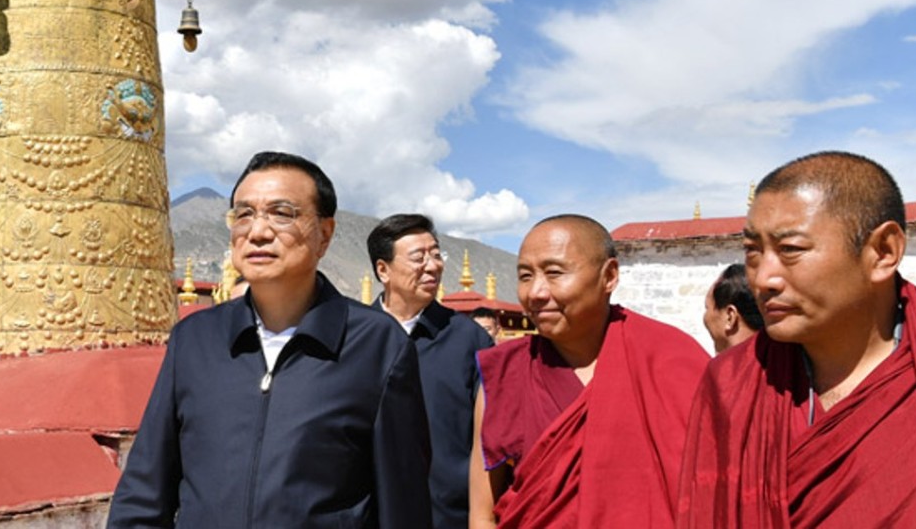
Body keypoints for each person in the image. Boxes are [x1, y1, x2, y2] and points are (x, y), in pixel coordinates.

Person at [109, 152, 432, 528]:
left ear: (324, 235)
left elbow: (403, 505)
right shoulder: (195, 340)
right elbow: (145, 491)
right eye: (243, 214)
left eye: (282, 213)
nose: (257, 231)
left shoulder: (377, 346)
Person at [677, 151, 916, 527]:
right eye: (753, 252)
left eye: (790, 250)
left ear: (883, 252)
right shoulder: (732, 383)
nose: (763, 279)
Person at [470, 214, 709, 528]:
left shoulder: (671, 358)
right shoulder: (503, 374)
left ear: (609, 276)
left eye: (554, 273)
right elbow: (482, 513)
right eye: (525, 276)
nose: (536, 293)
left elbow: (711, 485)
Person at [366, 214, 493, 529]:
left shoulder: (471, 340)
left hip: (448, 516)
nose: (433, 265)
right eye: (418, 257)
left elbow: (488, 441)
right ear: (383, 270)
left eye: (436, 254)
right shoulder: (355, 336)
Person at [702, 263, 763, 353]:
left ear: (730, 317)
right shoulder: (781, 361)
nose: (705, 317)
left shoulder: (727, 366)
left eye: (707, 308)